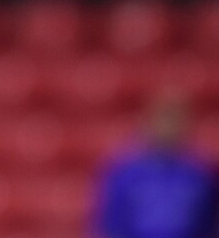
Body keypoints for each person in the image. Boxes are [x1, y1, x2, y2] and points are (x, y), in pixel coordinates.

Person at [93, 90, 218, 238]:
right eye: (164, 119)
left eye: (176, 120)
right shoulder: (124, 173)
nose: (170, 127)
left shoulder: (202, 173)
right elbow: (110, 225)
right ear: (148, 122)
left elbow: (210, 226)